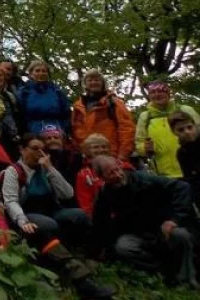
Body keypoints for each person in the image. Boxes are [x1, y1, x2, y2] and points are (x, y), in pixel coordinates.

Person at [0, 147, 115, 298]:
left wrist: (3, 233)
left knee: (40, 233)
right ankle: (44, 290)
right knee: (17, 257)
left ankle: (82, 281)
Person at [92, 156, 197, 288]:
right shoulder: (105, 193)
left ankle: (186, 280)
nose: (118, 175)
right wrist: (101, 248)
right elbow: (100, 222)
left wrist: (174, 220)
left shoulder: (144, 179)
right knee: (123, 247)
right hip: (137, 233)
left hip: (163, 226)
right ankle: (163, 271)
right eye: (111, 173)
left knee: (181, 236)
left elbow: (182, 187)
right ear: (103, 178)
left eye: (117, 169)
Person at [0, 135, 91, 249]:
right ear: (22, 150)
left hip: (53, 210)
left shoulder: (45, 168)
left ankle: (81, 250)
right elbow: (11, 201)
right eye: (35, 148)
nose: (39, 153)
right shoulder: (13, 171)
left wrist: (50, 168)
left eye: (43, 150)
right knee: (49, 224)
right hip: (28, 213)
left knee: (79, 215)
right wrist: (22, 221)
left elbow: (68, 194)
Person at [135, 81, 200, 178]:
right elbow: (139, 143)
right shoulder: (145, 117)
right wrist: (145, 148)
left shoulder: (186, 110)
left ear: (168, 94)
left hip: (193, 169)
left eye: (161, 91)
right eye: (153, 92)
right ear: (149, 96)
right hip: (164, 175)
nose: (157, 94)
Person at [71, 70, 134, 162]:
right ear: (85, 84)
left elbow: (127, 129)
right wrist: (82, 151)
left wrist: (123, 155)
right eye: (90, 80)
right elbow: (76, 131)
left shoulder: (114, 103)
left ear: (103, 83)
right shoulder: (78, 106)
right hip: (88, 158)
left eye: (97, 80)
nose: (94, 82)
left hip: (112, 155)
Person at [16, 60, 71, 136]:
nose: (41, 73)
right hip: (33, 133)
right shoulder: (24, 92)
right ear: (31, 74)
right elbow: (19, 115)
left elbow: (66, 113)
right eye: (37, 71)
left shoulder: (57, 91)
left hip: (57, 132)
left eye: (44, 71)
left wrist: (65, 130)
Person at [75, 134, 112, 217]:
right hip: (100, 216)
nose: (101, 150)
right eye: (96, 147)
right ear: (87, 151)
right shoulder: (83, 174)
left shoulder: (120, 166)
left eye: (104, 147)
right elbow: (85, 203)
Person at [170, 112, 200, 205]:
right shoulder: (182, 153)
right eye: (181, 130)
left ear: (195, 126)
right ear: (174, 132)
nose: (187, 132)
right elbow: (191, 179)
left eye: (189, 127)